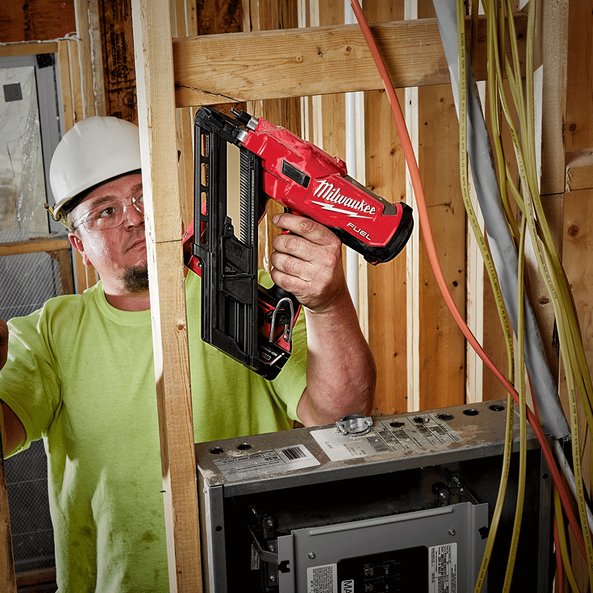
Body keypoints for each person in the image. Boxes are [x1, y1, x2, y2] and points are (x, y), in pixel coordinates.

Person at [0, 116, 376, 591]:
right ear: (79, 244)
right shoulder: (49, 334)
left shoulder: (248, 299)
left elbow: (342, 416)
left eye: (143, 195)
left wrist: (329, 302)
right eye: (106, 211)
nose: (134, 217)